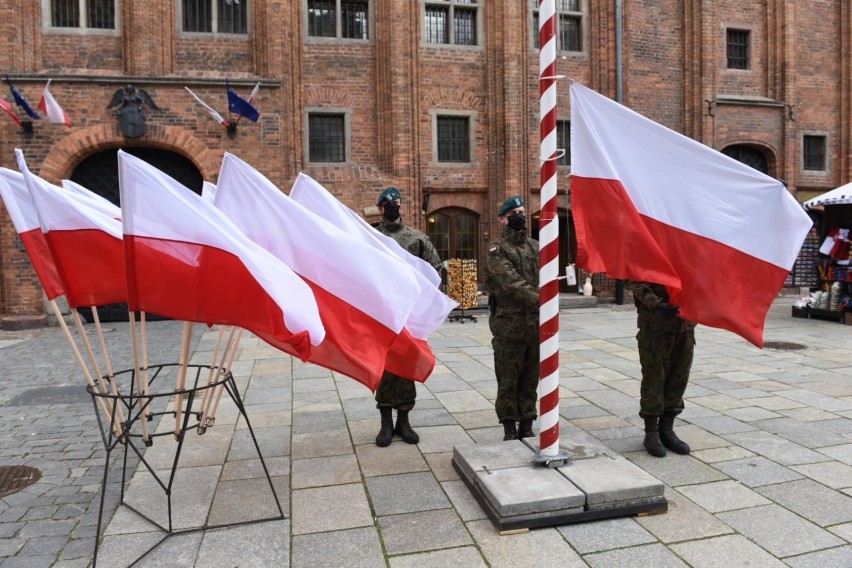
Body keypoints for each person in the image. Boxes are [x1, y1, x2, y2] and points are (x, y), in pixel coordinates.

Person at [374, 187, 443, 447]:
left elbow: (435, 271)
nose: (393, 207)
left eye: (397, 203)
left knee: (405, 364)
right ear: (381, 209)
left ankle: (403, 420)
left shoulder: (417, 239)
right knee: (385, 366)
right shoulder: (373, 238)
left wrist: (425, 304)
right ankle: (385, 423)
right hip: (383, 315)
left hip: (409, 316)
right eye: (388, 203)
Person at [485, 195, 540, 441]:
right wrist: (542, 299)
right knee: (508, 379)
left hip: (535, 327)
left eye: (521, 211)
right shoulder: (497, 249)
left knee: (530, 379)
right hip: (508, 328)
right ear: (502, 219)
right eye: (512, 213)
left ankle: (527, 424)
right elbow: (510, 282)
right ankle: (509, 426)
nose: (518, 215)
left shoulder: (536, 246)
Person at [630, 281, 696, 457]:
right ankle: (651, 432)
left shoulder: (690, 255)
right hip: (655, 327)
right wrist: (656, 304)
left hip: (685, 327)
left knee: (679, 378)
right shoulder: (648, 253)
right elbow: (635, 282)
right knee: (654, 378)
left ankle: (667, 430)